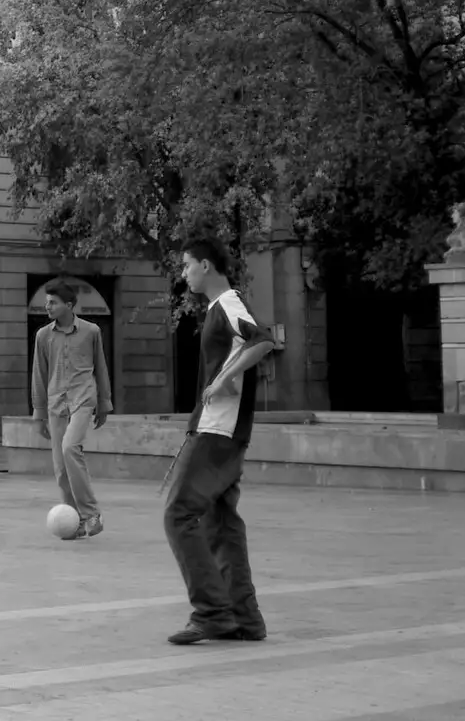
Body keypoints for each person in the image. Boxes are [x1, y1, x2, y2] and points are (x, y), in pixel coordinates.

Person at [164, 238, 276, 645]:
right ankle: (245, 619)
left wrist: (225, 378)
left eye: (187, 265)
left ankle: (211, 612)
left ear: (206, 266)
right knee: (221, 523)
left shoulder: (229, 303)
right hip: (221, 428)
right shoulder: (218, 308)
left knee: (179, 514)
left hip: (219, 429)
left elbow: (263, 340)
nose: (184, 273)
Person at [31, 280, 113, 538]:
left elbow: (100, 368)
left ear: (69, 305)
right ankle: (75, 521)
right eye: (47, 302)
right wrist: (39, 413)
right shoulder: (43, 335)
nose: (48, 306)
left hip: (83, 398)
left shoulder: (91, 331)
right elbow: (39, 374)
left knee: (70, 447)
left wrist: (103, 403)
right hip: (56, 403)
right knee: (60, 469)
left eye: (53, 302)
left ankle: (91, 514)